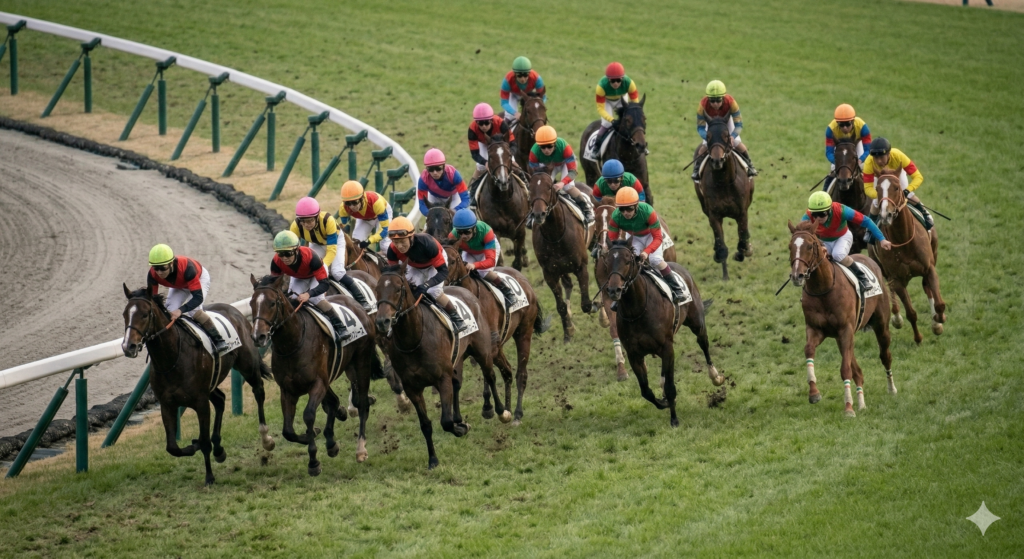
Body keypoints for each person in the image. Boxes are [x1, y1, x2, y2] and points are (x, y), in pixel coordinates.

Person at [385, 216, 467, 333]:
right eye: (395, 242)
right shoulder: (392, 250)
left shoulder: (427, 243)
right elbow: (394, 274)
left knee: (434, 291)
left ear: (411, 237)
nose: (399, 246)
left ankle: (457, 318)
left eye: (402, 241)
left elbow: (444, 272)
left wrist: (426, 285)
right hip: (414, 265)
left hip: (434, 264)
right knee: (406, 292)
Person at [605, 188, 688, 304]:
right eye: (622, 209)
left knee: (655, 260)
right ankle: (621, 294)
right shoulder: (615, 216)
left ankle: (677, 289)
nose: (625, 213)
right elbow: (613, 240)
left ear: (636, 206)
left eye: (629, 208)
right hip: (634, 236)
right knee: (630, 261)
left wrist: (646, 252)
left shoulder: (648, 211)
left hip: (651, 235)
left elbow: (658, 238)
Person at [291, 196, 371, 312]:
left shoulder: (328, 220)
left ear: (317, 217)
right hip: (317, 243)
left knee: (337, 272)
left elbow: (332, 250)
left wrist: (323, 265)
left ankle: (362, 299)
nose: (307, 224)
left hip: (336, 242)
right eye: (303, 221)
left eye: (310, 220)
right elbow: (293, 249)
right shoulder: (295, 226)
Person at [269, 230, 350, 342]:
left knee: (316, 299)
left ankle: (340, 327)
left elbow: (324, 284)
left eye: (287, 253)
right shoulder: (276, 261)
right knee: (293, 299)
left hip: (316, 275)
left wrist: (308, 294)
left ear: (296, 250)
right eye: (280, 254)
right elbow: (274, 284)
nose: (284, 258)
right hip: (299, 276)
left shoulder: (311, 257)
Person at [802, 191, 892, 292]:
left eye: (822, 214)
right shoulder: (808, 215)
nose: (818, 218)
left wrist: (882, 239)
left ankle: (862, 277)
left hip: (842, 237)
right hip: (823, 241)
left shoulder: (841, 210)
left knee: (838, 254)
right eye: (815, 215)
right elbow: (800, 233)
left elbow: (866, 221)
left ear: (830, 210)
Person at [146, 244, 228, 352]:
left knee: (194, 311)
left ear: (171, 263)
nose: (159, 272)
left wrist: (180, 310)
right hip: (179, 285)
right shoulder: (152, 274)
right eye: (156, 268)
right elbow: (153, 299)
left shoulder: (188, 268)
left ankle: (218, 339)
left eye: (163, 268)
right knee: (169, 312)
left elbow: (198, 298)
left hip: (199, 278)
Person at [448, 209, 517, 306]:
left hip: (486, 250)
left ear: (474, 228)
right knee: (463, 271)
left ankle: (507, 292)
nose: (463, 236)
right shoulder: (452, 236)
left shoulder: (486, 231)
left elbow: (490, 261)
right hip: (469, 252)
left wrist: (474, 265)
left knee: (483, 271)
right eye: (460, 232)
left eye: (467, 232)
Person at [692, 80, 757, 180]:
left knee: (736, 143)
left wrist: (733, 136)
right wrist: (708, 137)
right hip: (711, 124)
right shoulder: (702, 105)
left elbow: (738, 124)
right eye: (712, 101)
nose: (715, 104)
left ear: (723, 97)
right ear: (708, 99)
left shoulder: (731, 102)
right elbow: (700, 128)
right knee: (704, 146)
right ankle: (696, 170)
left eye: (718, 100)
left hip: (726, 123)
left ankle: (750, 165)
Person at [862, 137, 933, 230]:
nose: (879, 161)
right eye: (876, 158)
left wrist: (908, 190)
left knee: (909, 196)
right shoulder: (868, 162)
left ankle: (925, 214)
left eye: (881, 157)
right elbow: (867, 188)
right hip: (880, 179)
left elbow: (918, 177)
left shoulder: (898, 156)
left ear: (888, 154)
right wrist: (881, 195)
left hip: (897, 175)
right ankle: (869, 230)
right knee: (876, 201)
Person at [529, 125, 594, 223]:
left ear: (555, 144)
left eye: (549, 146)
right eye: (543, 147)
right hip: (547, 166)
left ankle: (586, 210)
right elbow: (535, 175)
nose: (546, 150)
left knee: (568, 187)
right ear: (538, 146)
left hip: (564, 164)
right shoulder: (534, 153)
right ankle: (532, 212)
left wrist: (562, 183)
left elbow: (573, 171)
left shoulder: (564, 147)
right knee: (540, 187)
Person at [584, 62, 639, 162]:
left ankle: (640, 145)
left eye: (618, 80)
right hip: (607, 101)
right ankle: (596, 148)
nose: (616, 83)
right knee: (606, 123)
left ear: (622, 78)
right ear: (608, 79)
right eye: (613, 81)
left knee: (629, 122)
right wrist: (612, 120)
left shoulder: (630, 83)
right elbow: (600, 108)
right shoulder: (601, 86)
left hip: (621, 98)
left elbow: (635, 103)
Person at [467, 102, 518, 208]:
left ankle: (526, 185)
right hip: (484, 144)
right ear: (476, 122)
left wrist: (509, 156)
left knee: (513, 163)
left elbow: (513, 144)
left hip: (501, 144)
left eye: (486, 123)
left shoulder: (501, 123)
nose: (484, 126)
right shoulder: (472, 129)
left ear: (491, 120)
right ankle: (472, 192)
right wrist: (485, 162)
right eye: (480, 123)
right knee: (480, 167)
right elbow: (474, 153)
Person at [823, 103, 872, 191]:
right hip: (839, 148)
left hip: (856, 145)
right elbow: (829, 152)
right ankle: (825, 193)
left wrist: (860, 160)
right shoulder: (830, 129)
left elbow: (868, 150)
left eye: (848, 124)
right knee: (834, 169)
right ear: (837, 123)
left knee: (863, 166)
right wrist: (837, 162)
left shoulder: (862, 127)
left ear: (853, 121)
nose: (845, 128)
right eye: (841, 125)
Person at [339, 180, 394, 256]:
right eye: (347, 203)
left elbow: (384, 230)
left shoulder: (376, 202)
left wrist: (369, 241)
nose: (351, 207)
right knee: (356, 243)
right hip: (364, 219)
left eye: (355, 202)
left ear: (362, 198)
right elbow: (344, 228)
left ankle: (398, 261)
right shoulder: (343, 208)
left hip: (381, 215)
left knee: (385, 246)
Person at [417, 149, 470, 217]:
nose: (435, 172)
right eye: (431, 169)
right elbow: (422, 204)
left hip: (453, 198)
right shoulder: (423, 179)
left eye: (438, 168)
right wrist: (430, 214)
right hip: (434, 197)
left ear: (444, 166)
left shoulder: (454, 174)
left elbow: (466, 199)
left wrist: (455, 210)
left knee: (459, 217)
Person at [500, 56, 546, 122]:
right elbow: (504, 102)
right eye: (519, 76)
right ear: (514, 74)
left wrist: (538, 106)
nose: (522, 79)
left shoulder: (537, 78)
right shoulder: (507, 80)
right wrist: (514, 113)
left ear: (529, 73)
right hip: (514, 95)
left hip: (529, 96)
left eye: (525, 75)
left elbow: (542, 97)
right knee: (509, 116)